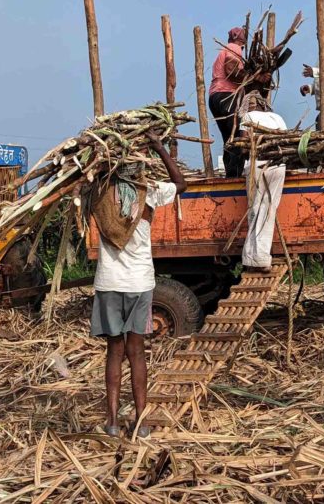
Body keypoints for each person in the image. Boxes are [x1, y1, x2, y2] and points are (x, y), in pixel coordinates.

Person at [90, 131, 187, 439]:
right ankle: (142, 422)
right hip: (140, 284)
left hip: (109, 283)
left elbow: (84, 177)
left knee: (114, 351)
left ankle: (113, 421)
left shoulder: (100, 192)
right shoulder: (150, 192)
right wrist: (160, 148)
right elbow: (181, 183)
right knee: (137, 352)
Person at [240, 108, 288, 271]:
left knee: (255, 209)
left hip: (258, 164)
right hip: (278, 166)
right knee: (268, 209)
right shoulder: (278, 117)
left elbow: (244, 147)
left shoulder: (248, 116)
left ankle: (256, 257)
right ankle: (255, 257)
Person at [209, 27, 248, 178]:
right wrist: (251, 75)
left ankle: (230, 172)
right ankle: (234, 174)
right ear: (240, 38)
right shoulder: (234, 48)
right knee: (237, 134)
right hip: (226, 95)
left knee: (228, 137)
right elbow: (231, 71)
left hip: (215, 96)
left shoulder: (224, 50)